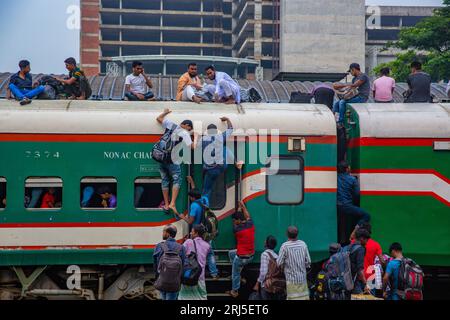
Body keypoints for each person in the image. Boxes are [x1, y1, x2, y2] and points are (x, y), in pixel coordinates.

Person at [173, 176, 219, 280]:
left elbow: (190, 221)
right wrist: (192, 182)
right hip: (206, 231)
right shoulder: (204, 200)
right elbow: (197, 194)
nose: (190, 198)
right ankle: (214, 273)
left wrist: (181, 216)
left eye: (190, 197)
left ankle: (196, 272)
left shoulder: (194, 205)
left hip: (197, 232)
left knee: (196, 254)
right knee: (210, 253)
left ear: (193, 198)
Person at [156, 108, 198, 214]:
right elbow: (192, 147)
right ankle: (172, 203)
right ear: (187, 126)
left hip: (160, 158)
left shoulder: (170, 124)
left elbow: (158, 118)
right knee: (177, 179)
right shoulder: (184, 133)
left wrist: (165, 112)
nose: (189, 131)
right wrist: (196, 137)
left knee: (165, 180)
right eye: (189, 129)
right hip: (172, 159)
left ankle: (166, 204)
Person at [226, 200, 255, 298]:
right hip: (251, 255)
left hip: (242, 257)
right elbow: (247, 216)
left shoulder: (237, 229)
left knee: (235, 273)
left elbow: (240, 219)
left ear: (238, 221)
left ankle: (235, 291)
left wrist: (239, 209)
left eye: (234, 220)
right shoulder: (250, 224)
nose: (234, 222)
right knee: (231, 253)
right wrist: (242, 206)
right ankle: (239, 277)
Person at [201, 117, 233, 198]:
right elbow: (230, 129)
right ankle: (235, 162)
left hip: (210, 169)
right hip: (221, 167)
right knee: (225, 148)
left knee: (206, 189)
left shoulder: (203, 139)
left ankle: (205, 204)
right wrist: (227, 120)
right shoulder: (221, 137)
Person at [337, 160, 370, 239]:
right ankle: (354, 233)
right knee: (366, 215)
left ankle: (341, 239)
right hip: (347, 205)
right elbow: (357, 194)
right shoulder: (352, 179)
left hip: (338, 206)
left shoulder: (336, 178)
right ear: (347, 169)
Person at [277, 226, 311, 300]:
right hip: (302, 278)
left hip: (291, 280)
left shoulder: (285, 246)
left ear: (287, 234)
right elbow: (308, 261)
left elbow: (279, 262)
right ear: (297, 234)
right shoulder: (303, 244)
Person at [178, 224, 212, 300]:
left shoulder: (188, 242)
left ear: (196, 233)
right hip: (200, 276)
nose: (190, 233)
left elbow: (180, 253)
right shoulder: (207, 245)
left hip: (188, 275)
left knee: (184, 297)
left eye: (192, 232)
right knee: (202, 297)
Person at [153, 224, 186, 300]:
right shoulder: (181, 247)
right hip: (174, 282)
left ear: (168, 233)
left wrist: (158, 277)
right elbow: (183, 265)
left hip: (162, 280)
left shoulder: (159, 246)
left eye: (163, 231)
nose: (163, 233)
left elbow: (155, 265)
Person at [254, 235, 284, 300]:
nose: (264, 241)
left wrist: (257, 283)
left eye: (265, 240)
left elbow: (263, 272)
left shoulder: (265, 254)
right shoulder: (276, 256)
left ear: (267, 243)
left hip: (267, 285)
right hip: (275, 284)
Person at [346, 228, 371, 298]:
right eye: (366, 239)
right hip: (353, 281)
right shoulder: (360, 249)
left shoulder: (348, 247)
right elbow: (360, 269)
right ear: (361, 238)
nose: (367, 242)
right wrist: (366, 284)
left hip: (345, 281)